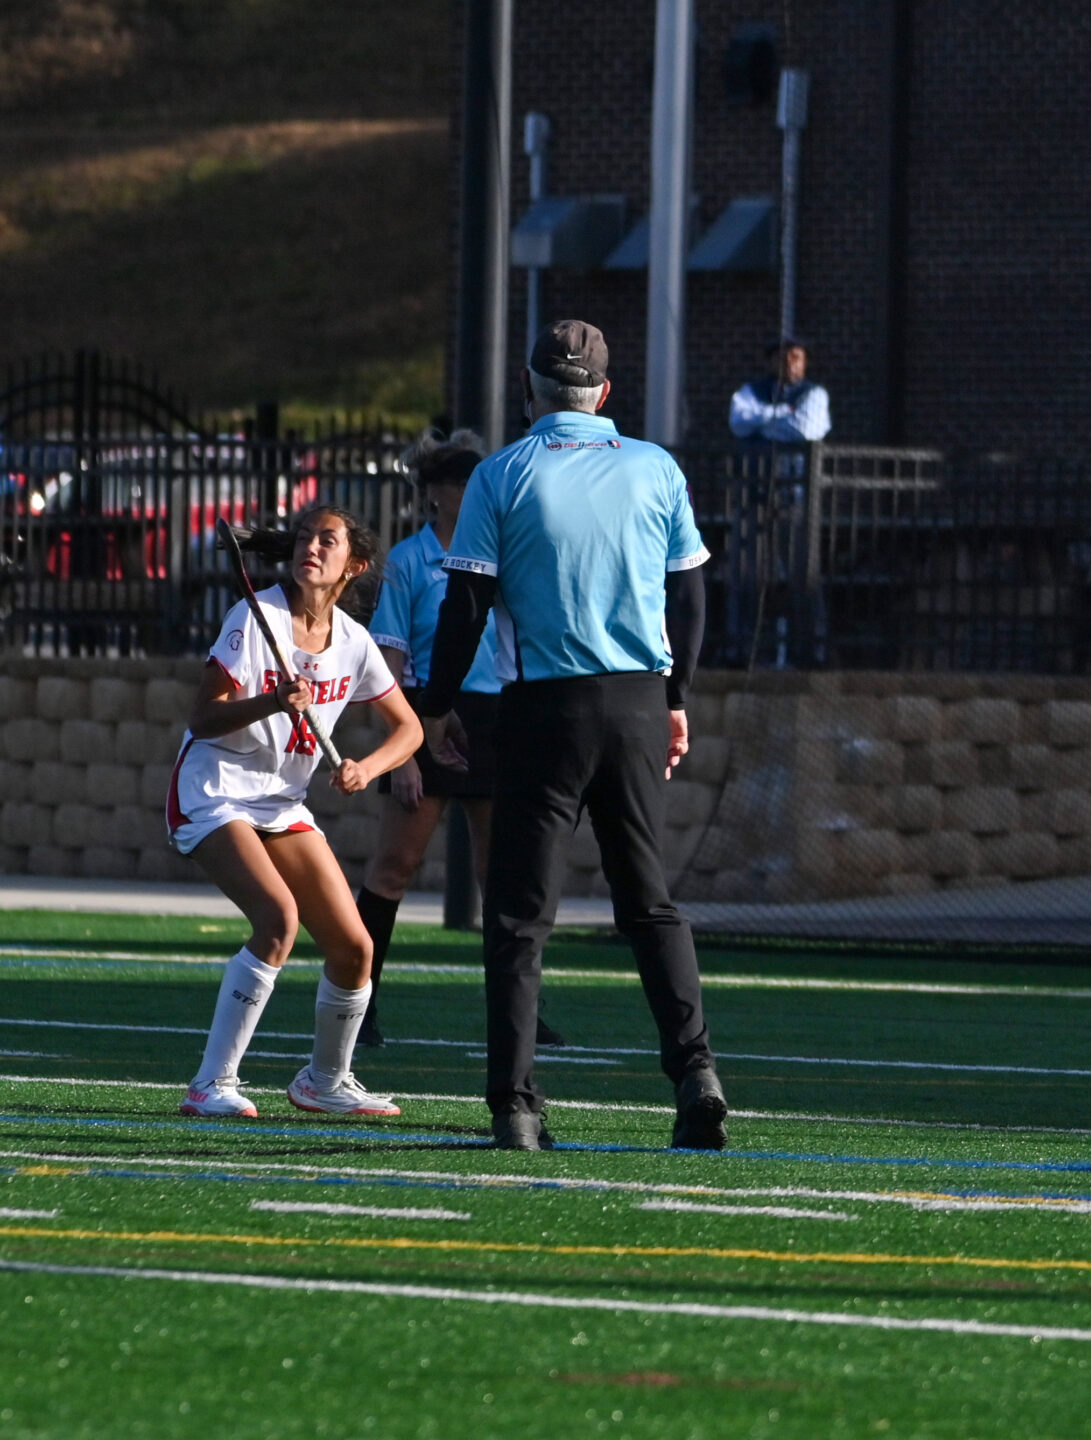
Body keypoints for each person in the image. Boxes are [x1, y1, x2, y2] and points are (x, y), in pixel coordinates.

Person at [417, 319, 725, 1152]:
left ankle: (515, 1104)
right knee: (649, 901)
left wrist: (437, 701)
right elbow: (691, 597)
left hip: (542, 709)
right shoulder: (654, 467)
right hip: (634, 703)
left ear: (528, 390)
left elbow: (467, 605)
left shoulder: (502, 474)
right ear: (606, 393)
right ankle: (695, 1069)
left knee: (519, 917)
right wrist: (677, 697)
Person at [173, 504, 423, 1119]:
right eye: (306, 537)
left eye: (327, 541)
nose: (311, 547)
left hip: (280, 801)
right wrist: (270, 703)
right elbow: (202, 718)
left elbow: (409, 730)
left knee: (354, 949)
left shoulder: (355, 642)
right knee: (278, 919)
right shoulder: (255, 617)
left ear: (353, 565)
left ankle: (325, 1080)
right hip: (215, 790)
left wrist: (368, 767)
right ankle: (211, 1085)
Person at [351, 430, 562, 1050]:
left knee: (500, 874)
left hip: (496, 716)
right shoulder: (411, 561)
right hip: (427, 713)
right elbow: (390, 658)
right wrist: (408, 745)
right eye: (462, 484)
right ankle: (358, 1003)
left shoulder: (502, 552)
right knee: (395, 867)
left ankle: (520, 1012)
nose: (473, 494)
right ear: (436, 493)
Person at [727, 337, 830, 444]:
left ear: (805, 363)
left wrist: (760, 429)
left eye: (795, 357)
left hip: (798, 460)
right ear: (770, 362)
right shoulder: (752, 390)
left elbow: (805, 430)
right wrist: (782, 411)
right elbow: (738, 425)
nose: (788, 362)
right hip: (760, 460)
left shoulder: (815, 393)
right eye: (781, 357)